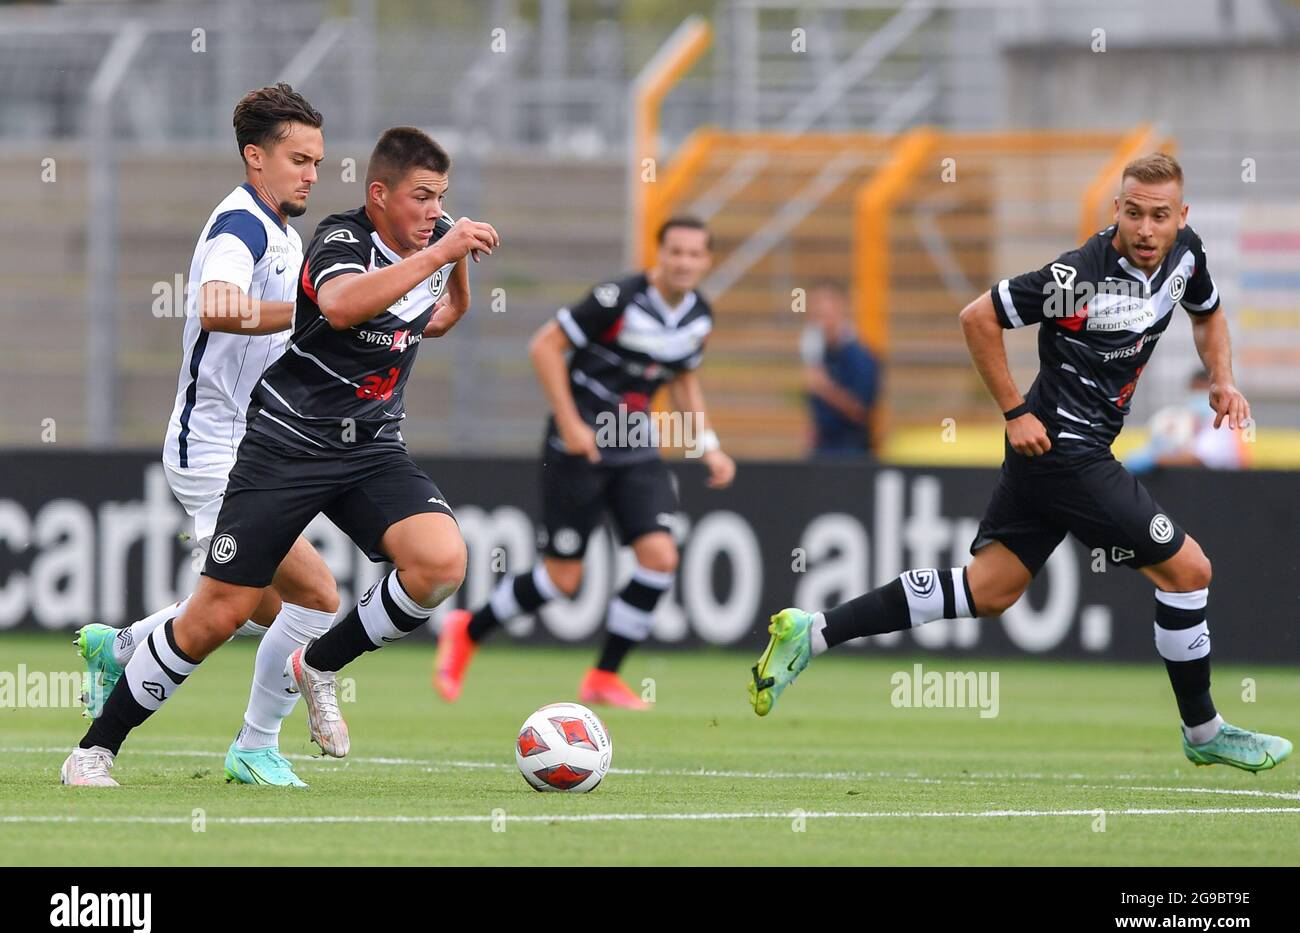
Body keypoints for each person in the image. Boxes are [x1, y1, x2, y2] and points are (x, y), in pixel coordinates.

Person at [749, 153, 1291, 774]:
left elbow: (1209, 311)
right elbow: (978, 317)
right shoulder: (1077, 275)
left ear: (1181, 218)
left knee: (990, 589)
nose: (1145, 228)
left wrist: (1222, 378)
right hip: (1064, 446)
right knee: (1189, 571)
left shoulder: (1186, 255)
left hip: (1058, 453)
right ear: (1116, 209)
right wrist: (1013, 410)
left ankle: (812, 632)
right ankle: (1204, 730)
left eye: (1159, 216)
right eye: (1134, 212)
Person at [60, 126, 500, 786]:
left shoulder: (388, 244)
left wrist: (451, 257)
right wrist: (434, 253)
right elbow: (337, 304)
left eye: (442, 198)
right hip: (279, 447)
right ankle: (96, 746)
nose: (435, 210)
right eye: (423, 197)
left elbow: (437, 318)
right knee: (227, 611)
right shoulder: (335, 240)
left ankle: (308, 675)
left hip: (369, 449)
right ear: (379, 195)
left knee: (437, 562)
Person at [74, 83, 340, 788]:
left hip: (254, 448)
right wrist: (307, 315)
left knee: (261, 605)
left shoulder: (283, 230)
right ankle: (110, 751)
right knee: (312, 598)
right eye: (298, 158)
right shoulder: (241, 226)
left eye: (317, 160)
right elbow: (219, 306)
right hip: (213, 447)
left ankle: (123, 647)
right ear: (256, 158)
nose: (312, 172)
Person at [435, 216, 736, 709]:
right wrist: (571, 423)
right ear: (659, 255)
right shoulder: (617, 298)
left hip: (636, 448)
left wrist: (707, 443)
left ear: (706, 261)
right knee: (562, 579)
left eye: (694, 254)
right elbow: (545, 346)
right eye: (675, 252)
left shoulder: (699, 316)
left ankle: (602, 675)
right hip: (579, 449)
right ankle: (469, 628)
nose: (683, 262)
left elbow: (683, 377)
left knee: (661, 557)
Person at [800, 279, 881, 458]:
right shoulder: (820, 355)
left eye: (824, 313)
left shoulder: (860, 356)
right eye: (815, 314)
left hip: (851, 454)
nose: (819, 321)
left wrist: (825, 388)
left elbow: (861, 411)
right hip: (821, 451)